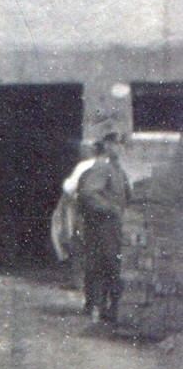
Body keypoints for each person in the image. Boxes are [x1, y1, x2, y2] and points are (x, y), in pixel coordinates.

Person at [78, 131, 131, 324]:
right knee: (103, 264)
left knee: (111, 264)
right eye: (116, 144)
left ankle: (106, 308)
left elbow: (126, 195)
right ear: (107, 146)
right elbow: (89, 193)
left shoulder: (118, 169)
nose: (120, 148)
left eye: (122, 144)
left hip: (112, 225)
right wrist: (111, 209)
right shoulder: (102, 167)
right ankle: (97, 307)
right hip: (102, 225)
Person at [50, 141, 98, 291]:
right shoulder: (101, 165)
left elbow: (70, 187)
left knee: (75, 242)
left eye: (83, 149)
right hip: (95, 211)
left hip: (79, 209)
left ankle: (78, 280)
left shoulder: (83, 166)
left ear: (89, 150)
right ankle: (88, 281)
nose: (81, 152)